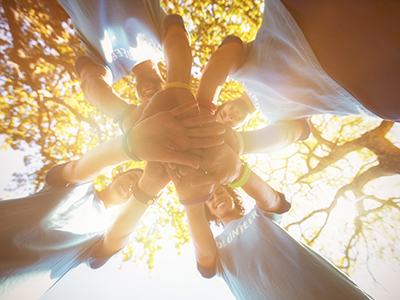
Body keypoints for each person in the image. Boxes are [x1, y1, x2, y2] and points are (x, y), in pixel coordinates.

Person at [0, 101, 225, 300]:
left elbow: (116, 239)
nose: (132, 185)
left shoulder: (100, 233)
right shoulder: (74, 188)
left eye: (137, 184)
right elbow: (81, 168)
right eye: (132, 176)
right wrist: (130, 145)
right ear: (117, 175)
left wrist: (149, 187)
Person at [169, 163, 375, 300]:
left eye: (220, 192)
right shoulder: (216, 247)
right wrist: (191, 204)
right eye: (209, 200)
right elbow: (205, 259)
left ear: (232, 195)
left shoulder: (259, 215)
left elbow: (274, 201)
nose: (216, 199)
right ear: (208, 211)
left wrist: (237, 168)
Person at [196, 0, 400, 128]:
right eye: (230, 123)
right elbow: (291, 135)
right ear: (242, 126)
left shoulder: (238, 71)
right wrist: (239, 145)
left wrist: (203, 108)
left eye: (222, 114)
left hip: (300, 19)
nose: (229, 116)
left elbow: (223, 58)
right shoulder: (276, 120)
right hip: (358, 88)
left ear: (225, 102)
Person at [58, 0, 189, 129]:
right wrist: (177, 87)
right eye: (159, 102)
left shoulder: (109, 70)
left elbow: (89, 82)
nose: (151, 99)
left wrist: (124, 113)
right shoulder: (164, 46)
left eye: (148, 108)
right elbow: (178, 36)